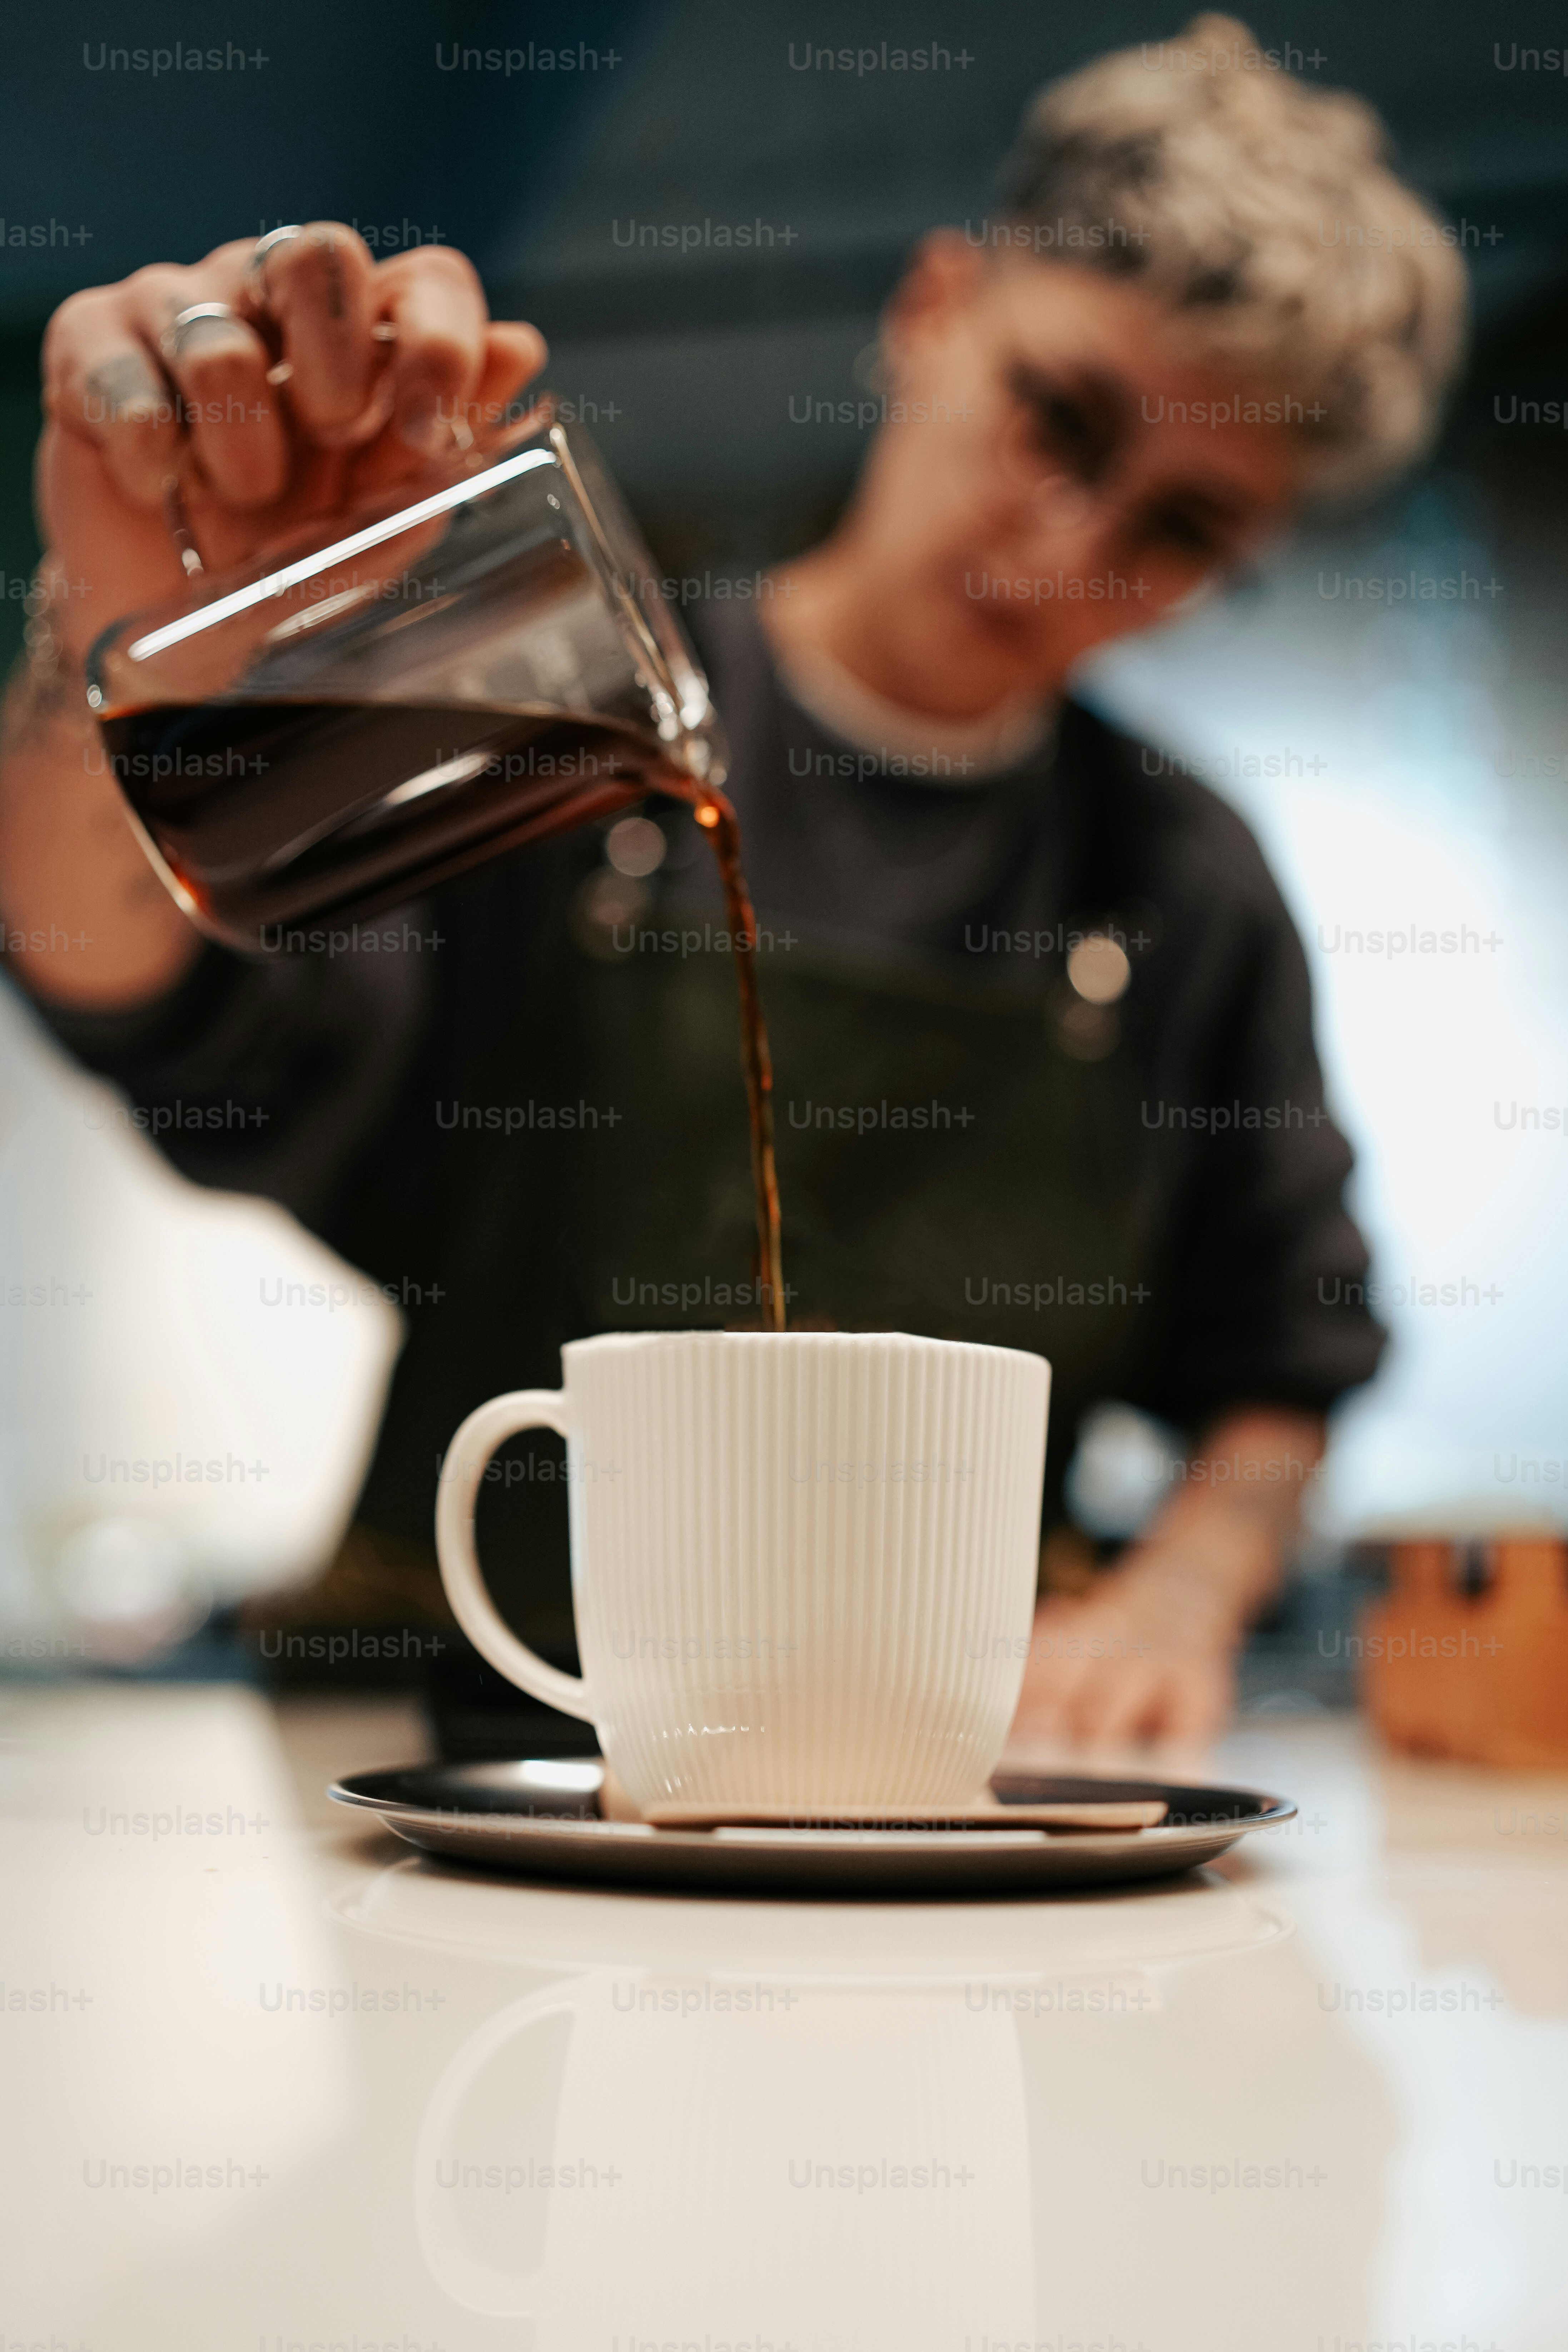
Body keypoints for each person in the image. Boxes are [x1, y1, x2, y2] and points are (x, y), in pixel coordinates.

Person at [0, 17, 1464, 1747]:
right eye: (1057, 419)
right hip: (451, 1751)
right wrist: (103, 649)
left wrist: (1175, 1593)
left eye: (1179, 531)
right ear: (934, 308)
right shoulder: (560, 710)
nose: (1071, 543)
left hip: (931, 1763)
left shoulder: (1179, 885)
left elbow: (1278, 1361)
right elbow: (132, 978)